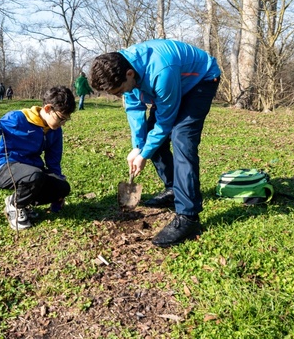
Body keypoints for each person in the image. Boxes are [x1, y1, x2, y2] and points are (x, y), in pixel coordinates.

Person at [89, 39, 221, 247]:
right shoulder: (125, 67)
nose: (120, 95)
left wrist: (144, 155)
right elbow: (134, 109)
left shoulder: (161, 69)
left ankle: (189, 217)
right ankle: (173, 188)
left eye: (120, 91)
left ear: (129, 74)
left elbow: (165, 122)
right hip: (173, 83)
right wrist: (138, 147)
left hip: (200, 80)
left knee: (182, 139)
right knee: (152, 139)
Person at [0, 86, 76, 231]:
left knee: (63, 186)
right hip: (3, 168)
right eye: (61, 118)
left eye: (66, 119)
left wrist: (56, 194)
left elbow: (53, 160)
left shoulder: (55, 131)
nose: (63, 123)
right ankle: (15, 206)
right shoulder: (18, 118)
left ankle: (23, 201)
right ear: (47, 109)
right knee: (35, 176)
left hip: (32, 172)